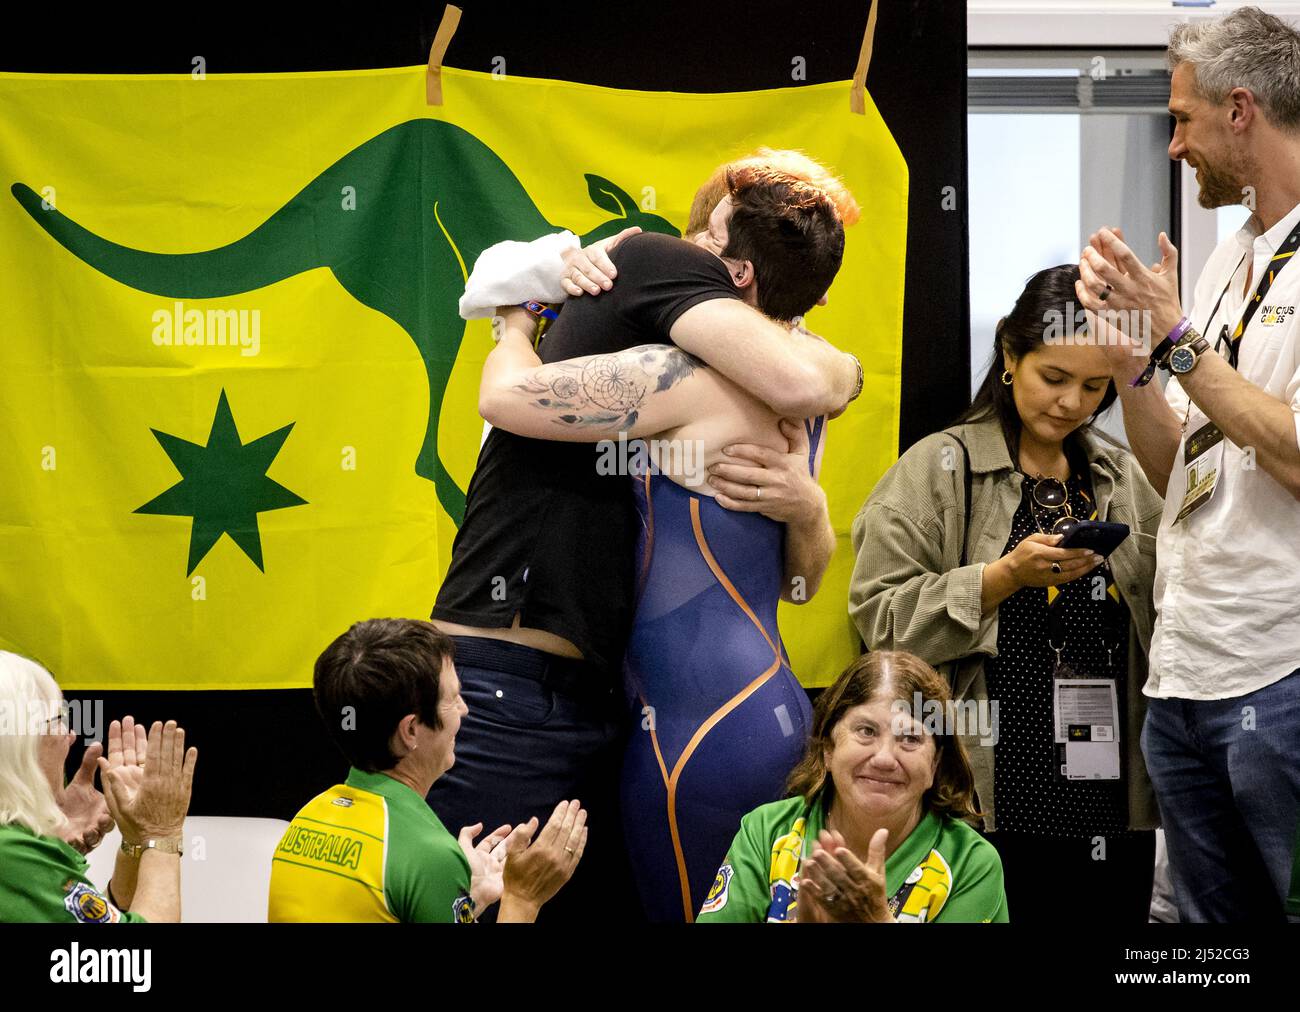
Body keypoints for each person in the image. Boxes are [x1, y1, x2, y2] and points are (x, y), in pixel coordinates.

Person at [427, 154, 863, 920]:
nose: (690, 250)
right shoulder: (802, 390)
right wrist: (813, 507)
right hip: (736, 704)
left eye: (711, 242)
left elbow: (501, 396)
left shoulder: (684, 370)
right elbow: (801, 585)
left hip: (678, 728)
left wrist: (515, 321)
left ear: (735, 278)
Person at [1073, 5, 1300, 922]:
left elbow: (1289, 451)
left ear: (1240, 109)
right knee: (1205, 947)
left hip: (1282, 672)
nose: (1172, 145)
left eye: (1183, 120)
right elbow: (1181, 477)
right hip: (1185, 671)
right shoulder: (1227, 264)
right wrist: (1134, 360)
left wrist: (1174, 336)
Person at [849, 265, 1163, 924]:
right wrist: (1000, 579)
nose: (1072, 403)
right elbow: (878, 620)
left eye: (1094, 386)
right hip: (987, 792)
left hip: (1109, 795)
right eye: (1055, 378)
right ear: (1010, 356)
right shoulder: (939, 468)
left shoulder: (1119, 474)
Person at [268, 618, 585, 923]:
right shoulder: (428, 854)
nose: (465, 709)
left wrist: (463, 901)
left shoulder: (305, 821)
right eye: (453, 698)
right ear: (410, 731)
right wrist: (523, 897)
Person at [697, 650, 1006, 923]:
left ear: (934, 765)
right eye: (866, 731)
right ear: (828, 749)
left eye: (910, 738)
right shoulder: (766, 833)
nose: (885, 758)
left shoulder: (971, 865)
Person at [0, 650, 197, 923]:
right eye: (57, 720)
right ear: (17, 743)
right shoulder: (9, 853)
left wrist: (135, 843)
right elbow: (130, 962)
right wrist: (162, 832)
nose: (70, 736)